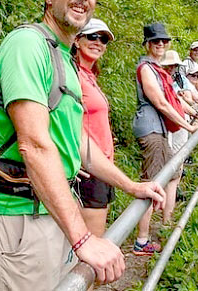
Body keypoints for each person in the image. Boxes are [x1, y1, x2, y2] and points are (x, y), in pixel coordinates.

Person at [0, 0, 166, 291]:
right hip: (19, 220)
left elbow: (78, 143)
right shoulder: (27, 45)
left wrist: (131, 186)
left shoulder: (63, 57)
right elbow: (33, 144)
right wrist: (83, 240)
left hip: (54, 214)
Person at [132, 23, 198, 255]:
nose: (160, 44)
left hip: (159, 130)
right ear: (147, 43)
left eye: (164, 41)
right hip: (151, 130)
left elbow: (174, 101)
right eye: (156, 41)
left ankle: (162, 223)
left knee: (171, 173)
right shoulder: (146, 68)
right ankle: (141, 240)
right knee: (152, 182)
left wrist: (196, 116)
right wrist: (190, 124)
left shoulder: (156, 68)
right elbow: (161, 103)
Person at [72, 18, 117, 238]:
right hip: (89, 168)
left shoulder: (90, 76)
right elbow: (60, 120)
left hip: (102, 166)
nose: (98, 42)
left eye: (104, 39)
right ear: (77, 40)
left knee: (97, 236)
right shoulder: (73, 76)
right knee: (93, 243)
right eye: (92, 36)